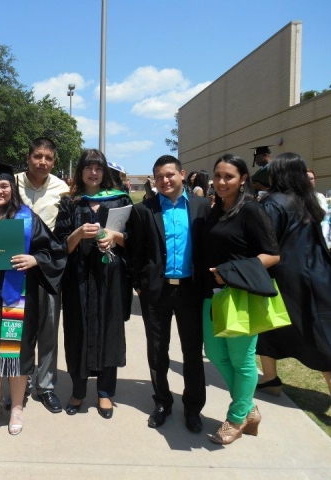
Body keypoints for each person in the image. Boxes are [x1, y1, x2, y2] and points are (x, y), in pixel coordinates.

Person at [0, 163, 66, 435]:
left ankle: (16, 407)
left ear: (12, 189)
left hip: (17, 298)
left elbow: (55, 251)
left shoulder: (28, 217)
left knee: (17, 352)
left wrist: (35, 258)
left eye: (4, 186)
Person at [201, 153, 280, 445]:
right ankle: (249, 410)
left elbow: (272, 255)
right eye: (218, 176)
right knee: (216, 354)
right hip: (213, 295)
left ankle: (236, 418)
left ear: (243, 179)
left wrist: (232, 272)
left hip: (241, 296)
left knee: (242, 360)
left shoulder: (251, 211)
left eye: (229, 177)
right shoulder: (216, 209)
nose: (221, 182)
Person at [128, 155, 210, 433]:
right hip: (157, 292)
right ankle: (162, 401)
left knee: (192, 353)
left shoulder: (202, 206)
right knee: (157, 351)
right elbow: (135, 252)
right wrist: (140, 284)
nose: (165, 180)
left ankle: (193, 407)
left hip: (190, 290)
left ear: (182, 174)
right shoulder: (144, 210)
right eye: (159, 176)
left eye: (170, 175)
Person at [256, 153, 331, 418]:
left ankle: (271, 380)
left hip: (284, 276)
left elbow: (267, 244)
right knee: (315, 330)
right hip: (317, 272)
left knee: (266, 325)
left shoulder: (273, 203)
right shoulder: (308, 201)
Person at [54, 149, 132, 419]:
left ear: (105, 172)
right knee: (77, 331)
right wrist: (77, 233)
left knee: (109, 331)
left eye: (98, 168)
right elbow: (60, 244)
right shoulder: (70, 203)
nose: (94, 172)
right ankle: (78, 390)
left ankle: (105, 392)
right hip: (78, 279)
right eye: (88, 167)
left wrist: (114, 236)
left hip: (110, 278)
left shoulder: (120, 200)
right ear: (81, 171)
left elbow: (133, 239)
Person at [14, 137, 70, 413]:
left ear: (54, 161)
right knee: (21, 330)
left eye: (48, 158)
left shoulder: (62, 189)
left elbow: (64, 232)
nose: (42, 162)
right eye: (37, 156)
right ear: (28, 157)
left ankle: (46, 386)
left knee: (48, 329)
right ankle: (20, 384)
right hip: (15, 268)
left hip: (47, 267)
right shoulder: (12, 184)